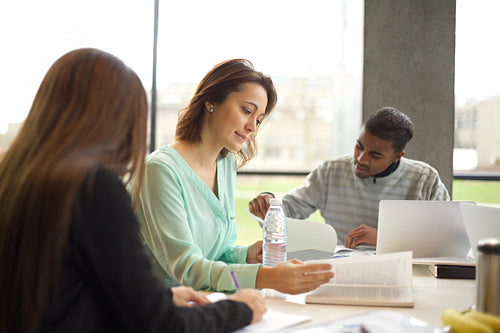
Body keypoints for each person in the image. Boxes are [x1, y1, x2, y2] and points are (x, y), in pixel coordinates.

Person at [0, 48, 266, 333]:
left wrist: (159, 297)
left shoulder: (15, 177)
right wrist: (240, 309)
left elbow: (68, 288)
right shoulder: (94, 189)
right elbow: (159, 323)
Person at [135, 59, 333, 294]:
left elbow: (218, 252)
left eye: (258, 119)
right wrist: (264, 277)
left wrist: (246, 254)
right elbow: (187, 269)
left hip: (210, 302)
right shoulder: (160, 170)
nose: (252, 127)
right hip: (167, 312)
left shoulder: (225, 164)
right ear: (210, 101)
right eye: (247, 111)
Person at [248, 107, 450, 249]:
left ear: (397, 156)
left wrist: (384, 238)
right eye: (359, 146)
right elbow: (291, 210)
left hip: (407, 273)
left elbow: (445, 238)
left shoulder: (425, 179)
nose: (361, 159)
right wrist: (268, 204)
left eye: (375, 155)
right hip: (341, 268)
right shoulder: (330, 171)